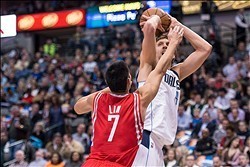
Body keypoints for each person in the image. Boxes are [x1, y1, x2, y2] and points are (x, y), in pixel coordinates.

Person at [74, 24, 184, 166]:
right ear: (128, 82)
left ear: (108, 83)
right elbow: (160, 71)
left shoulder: (98, 99)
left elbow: (77, 107)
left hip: (92, 163)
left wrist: (110, 87)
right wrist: (173, 43)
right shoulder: (138, 100)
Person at [133, 13, 212, 166]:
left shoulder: (177, 72)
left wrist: (178, 24)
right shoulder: (148, 66)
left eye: (168, 44)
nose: (165, 46)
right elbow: (149, 28)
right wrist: (157, 18)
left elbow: (205, 49)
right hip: (145, 136)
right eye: (161, 44)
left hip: (158, 145)